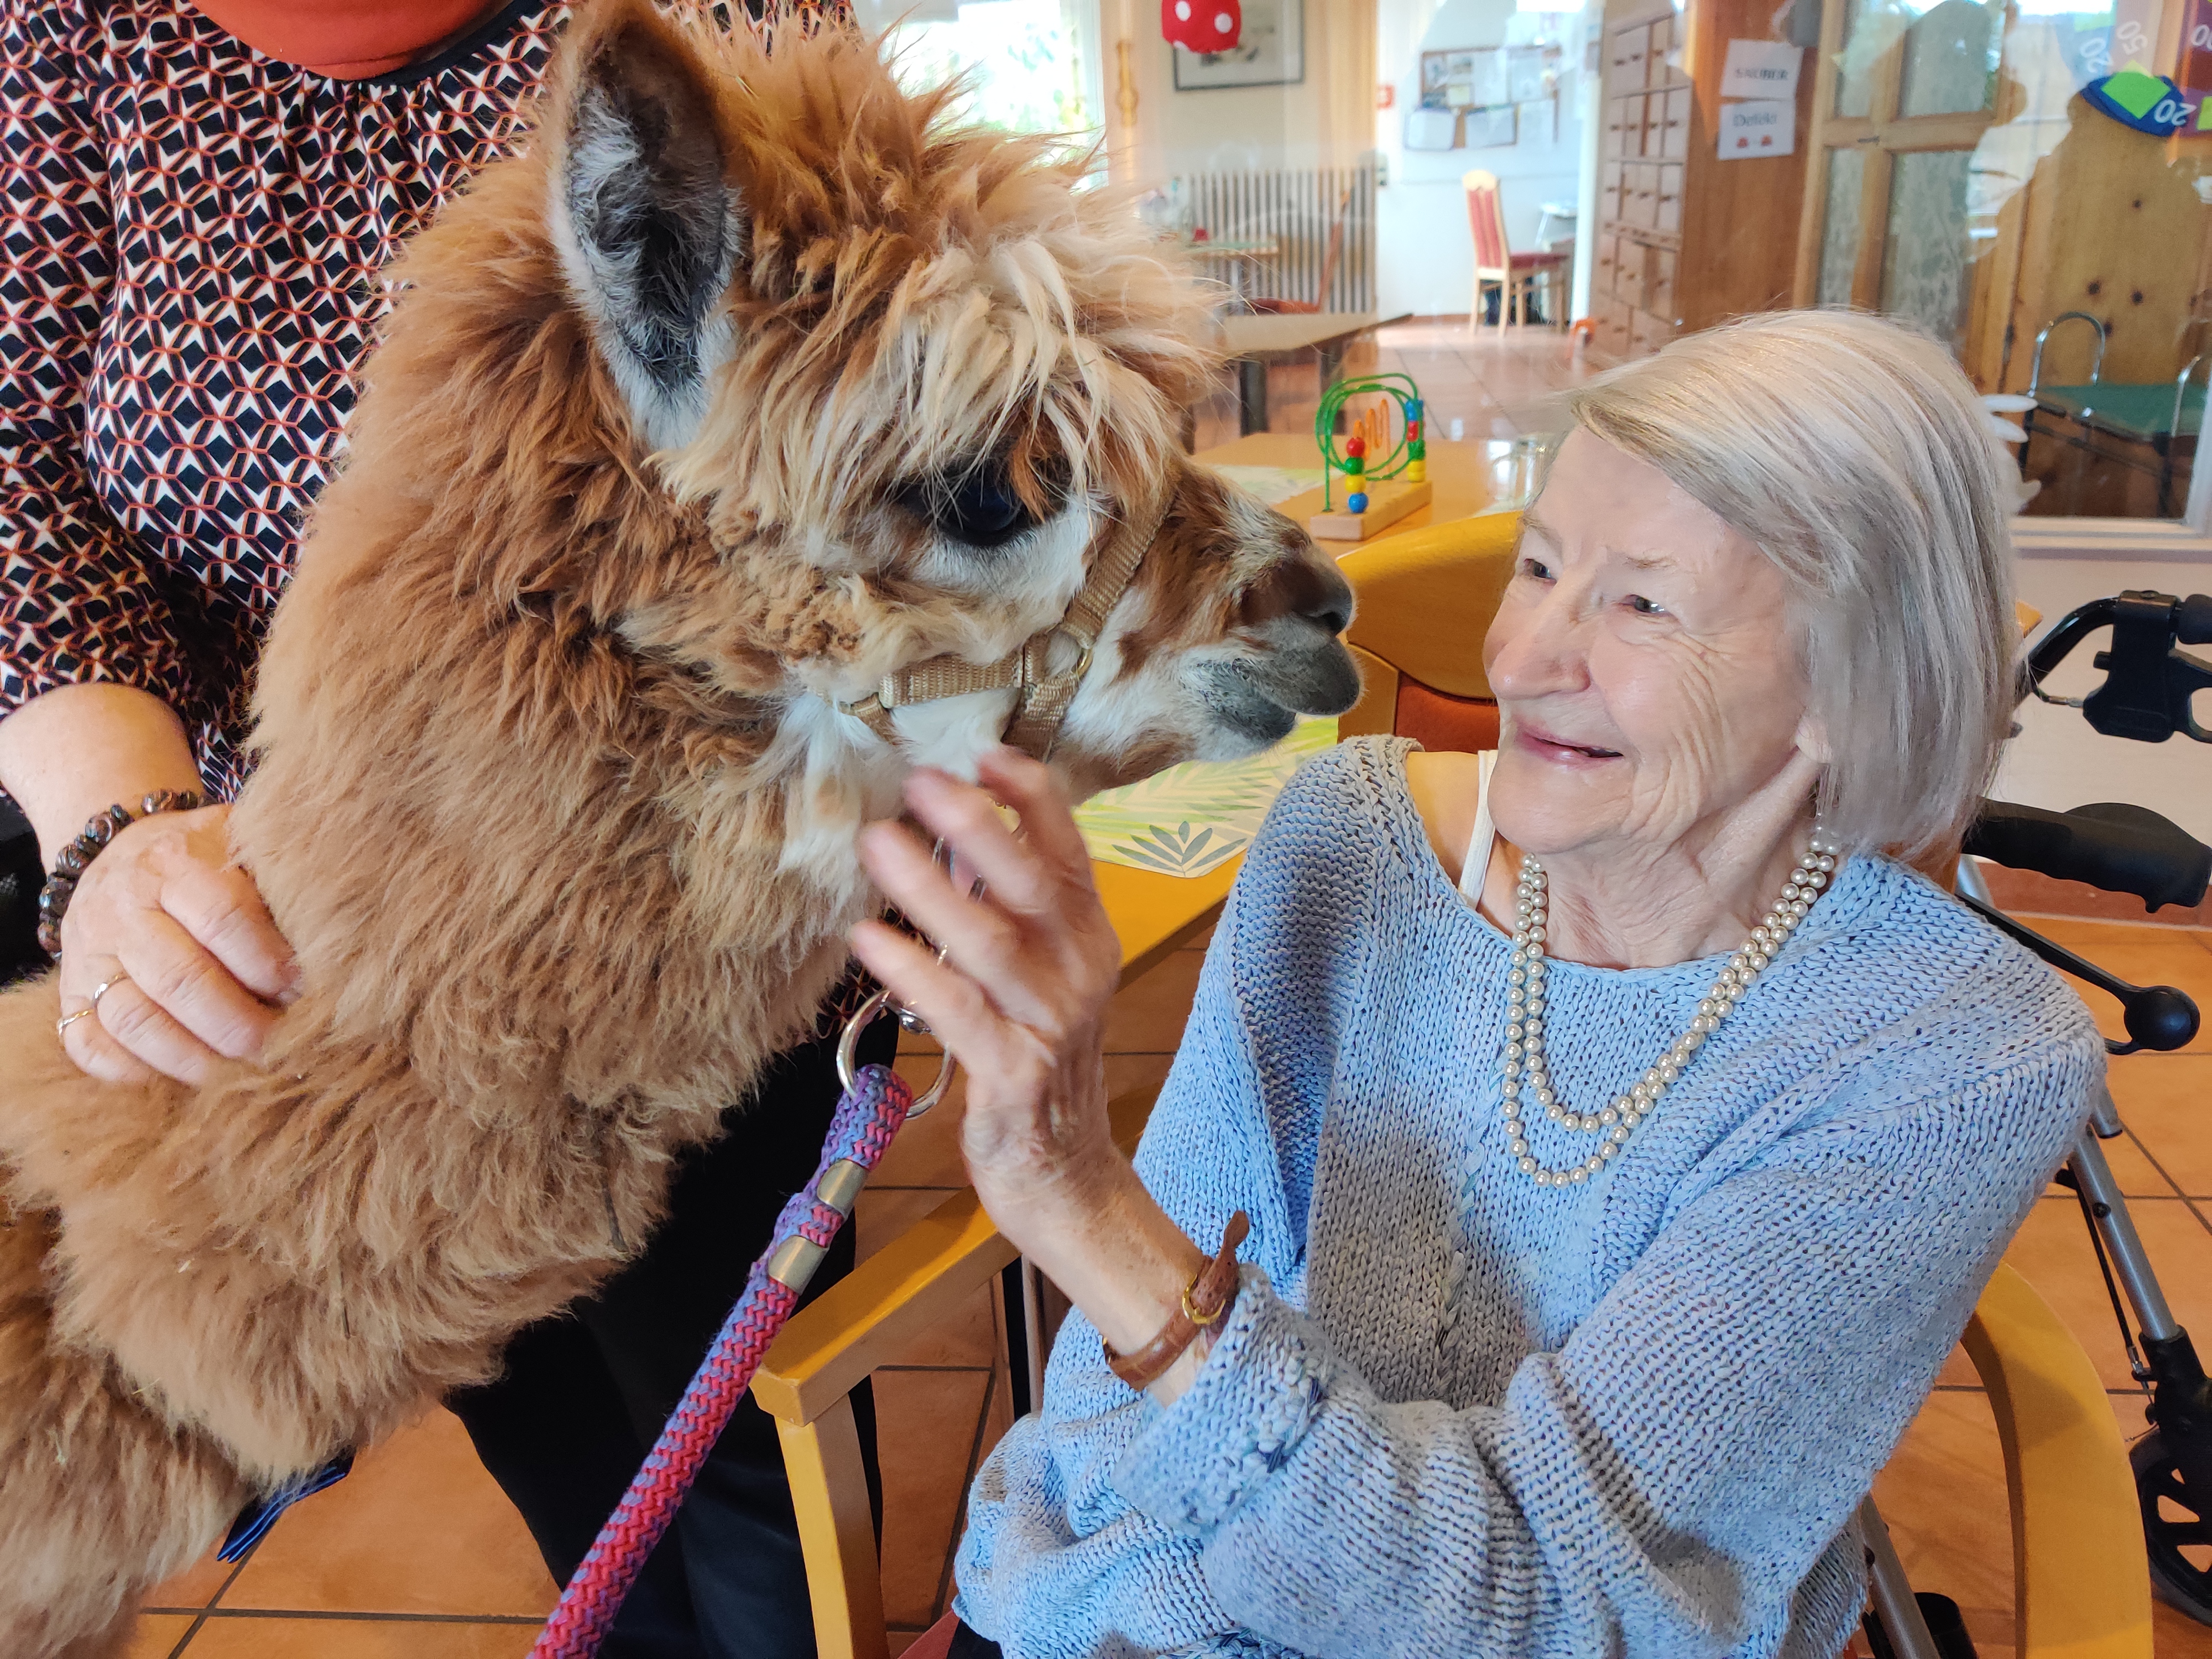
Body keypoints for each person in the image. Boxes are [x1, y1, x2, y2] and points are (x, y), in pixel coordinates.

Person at [852, 309, 2104, 1659]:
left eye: (1639, 604)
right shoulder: (1347, 841)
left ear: (1845, 689)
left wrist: (1079, 1202)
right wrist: (1107, 1610)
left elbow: (1541, 1599)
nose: (1517, 661)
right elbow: (1111, 1401)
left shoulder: (1949, 1056)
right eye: (1540, 565)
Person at [0, 3, 880, 1655]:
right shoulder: (78, 30)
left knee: (750, 1460)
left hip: (695, 936)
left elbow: (868, 400)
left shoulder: (718, 24)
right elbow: (16, 462)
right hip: (345, 979)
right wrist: (114, 819)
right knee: (559, 1460)